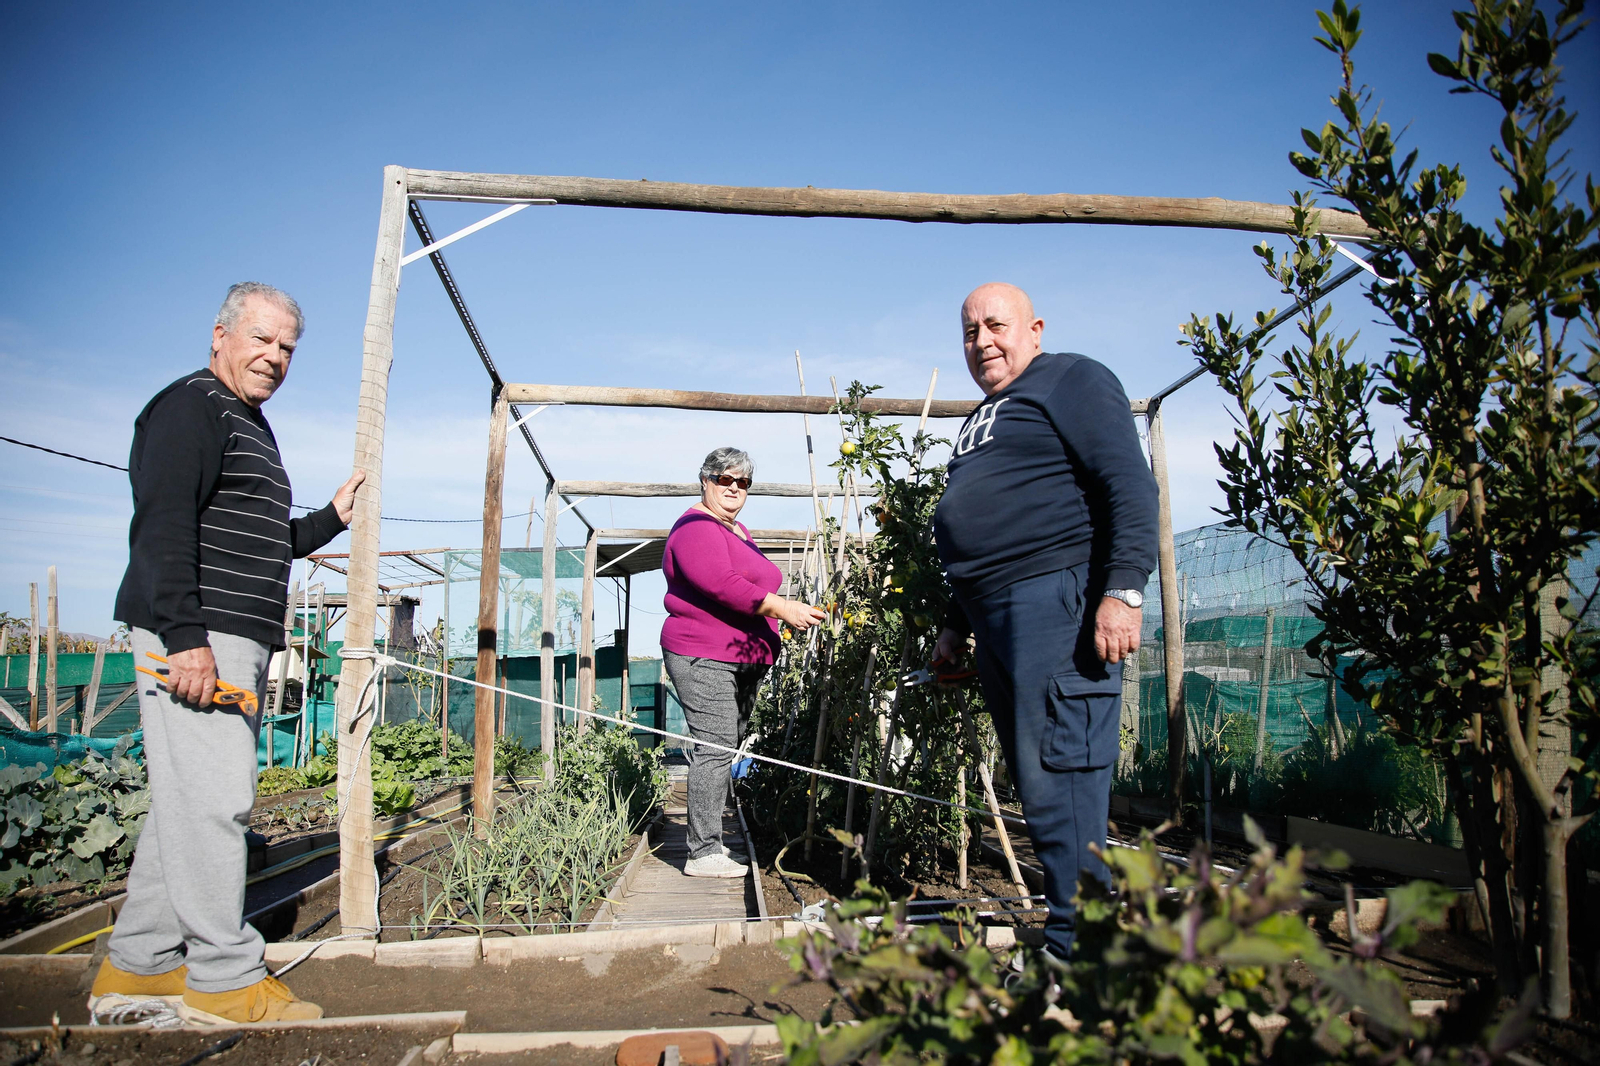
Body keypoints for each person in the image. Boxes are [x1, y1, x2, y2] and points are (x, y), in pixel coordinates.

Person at [91, 282, 364, 1024]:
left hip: (232, 634)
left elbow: (265, 542)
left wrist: (329, 520)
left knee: (186, 803)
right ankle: (221, 979)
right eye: (261, 340)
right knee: (218, 802)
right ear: (220, 336)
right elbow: (163, 527)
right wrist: (186, 640)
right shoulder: (191, 407)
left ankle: (139, 967)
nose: (273, 358)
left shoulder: (246, 422)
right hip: (201, 635)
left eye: (286, 349)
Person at [933, 282, 1158, 960]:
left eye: (995, 326)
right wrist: (954, 622)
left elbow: (1129, 483)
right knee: (1037, 779)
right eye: (970, 332)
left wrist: (1123, 590)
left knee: (1064, 776)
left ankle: (1083, 952)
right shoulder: (989, 414)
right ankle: (1077, 939)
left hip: (1054, 603)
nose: (982, 342)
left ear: (1033, 328)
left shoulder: (1072, 378)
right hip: (994, 613)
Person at [661, 447, 825, 878]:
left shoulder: (736, 530)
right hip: (703, 654)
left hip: (737, 657)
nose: (734, 488)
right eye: (725, 479)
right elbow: (720, 583)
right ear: (705, 480)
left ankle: (709, 840)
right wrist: (780, 608)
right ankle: (703, 853)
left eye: (743, 482)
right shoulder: (695, 529)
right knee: (714, 746)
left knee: (722, 746)